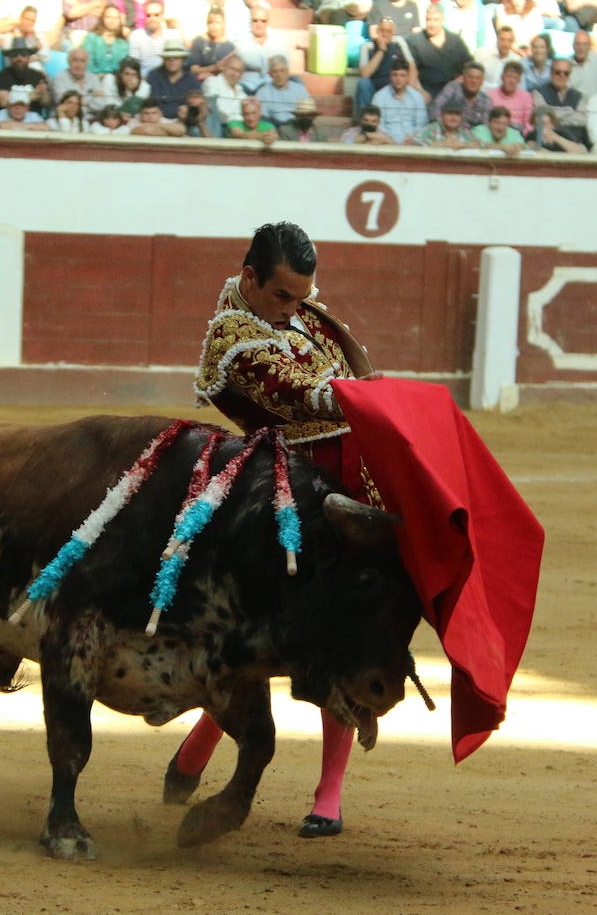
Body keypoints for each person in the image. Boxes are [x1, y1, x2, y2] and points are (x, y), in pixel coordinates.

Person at [178, 221, 385, 842]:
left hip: (347, 485)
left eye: (303, 294)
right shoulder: (231, 338)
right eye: (285, 296)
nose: (298, 306)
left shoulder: (307, 316)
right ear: (250, 280)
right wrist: (372, 399)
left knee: (342, 627)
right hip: (277, 498)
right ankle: (198, 743)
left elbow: (350, 377)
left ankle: (329, 790)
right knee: (256, 629)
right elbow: (304, 395)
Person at [406, 3, 472, 97]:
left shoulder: (455, 41)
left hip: (452, 91)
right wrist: (421, 92)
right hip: (425, 91)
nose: (432, 24)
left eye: (436, 20)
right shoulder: (414, 41)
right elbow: (411, 72)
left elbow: (469, 65)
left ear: (442, 20)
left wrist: (458, 82)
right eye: (429, 20)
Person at [356, 16, 417, 109]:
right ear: (377, 31)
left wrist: (410, 90)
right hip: (373, 87)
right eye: (382, 31)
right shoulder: (367, 46)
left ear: (393, 33)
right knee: (363, 82)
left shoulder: (399, 42)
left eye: (389, 32)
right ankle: (366, 116)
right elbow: (365, 74)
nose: (385, 34)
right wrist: (381, 50)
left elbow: (412, 65)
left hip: (394, 87)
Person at [532, 55, 587, 143]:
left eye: (566, 73)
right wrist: (569, 111)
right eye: (558, 72)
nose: (562, 75)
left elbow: (581, 120)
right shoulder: (538, 93)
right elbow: (544, 118)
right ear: (551, 73)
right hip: (548, 139)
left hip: (573, 139)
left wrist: (554, 114)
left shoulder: (579, 96)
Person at [371, 58, 428, 142]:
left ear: (408, 77)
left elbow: (421, 124)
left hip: (413, 140)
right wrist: (391, 139)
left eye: (402, 75)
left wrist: (412, 138)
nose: (398, 79)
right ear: (390, 76)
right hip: (387, 140)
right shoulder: (379, 97)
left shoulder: (417, 97)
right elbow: (378, 124)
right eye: (395, 75)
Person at [232, 2, 286, 91]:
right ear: (250, 22)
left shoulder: (277, 41)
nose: (259, 24)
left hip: (271, 84)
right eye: (255, 20)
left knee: (297, 81)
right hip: (246, 86)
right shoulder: (240, 41)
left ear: (268, 22)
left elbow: (285, 66)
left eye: (263, 21)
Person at [0, 36, 49, 112]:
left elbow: (46, 103)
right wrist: (30, 97)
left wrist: (43, 93)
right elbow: (3, 103)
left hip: (33, 117)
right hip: (9, 117)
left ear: (29, 57)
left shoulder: (38, 75)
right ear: (10, 58)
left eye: (23, 54)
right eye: (14, 55)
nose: (19, 58)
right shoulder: (1, 76)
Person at [429, 60, 491, 126]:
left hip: (471, 135)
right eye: (470, 77)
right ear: (463, 78)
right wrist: (443, 128)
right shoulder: (452, 88)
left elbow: (485, 127)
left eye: (478, 78)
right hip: (446, 131)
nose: (474, 81)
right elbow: (435, 107)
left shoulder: (486, 101)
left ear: (482, 82)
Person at [151, 36, 201, 116]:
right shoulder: (154, 76)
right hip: (156, 119)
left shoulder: (191, 79)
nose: (172, 60)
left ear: (183, 59)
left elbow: (197, 104)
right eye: (168, 58)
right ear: (163, 59)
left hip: (184, 120)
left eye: (176, 57)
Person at [254, 55, 309, 126]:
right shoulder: (262, 92)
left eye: (282, 71)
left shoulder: (300, 89)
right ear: (270, 74)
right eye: (275, 71)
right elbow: (262, 119)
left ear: (287, 71)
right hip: (276, 127)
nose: (279, 75)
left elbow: (309, 112)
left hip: (298, 126)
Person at [489, 58, 534, 133]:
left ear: (519, 80)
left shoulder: (526, 97)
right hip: (496, 131)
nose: (512, 81)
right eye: (509, 76)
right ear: (502, 77)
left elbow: (528, 123)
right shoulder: (491, 95)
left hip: (519, 134)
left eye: (515, 78)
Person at [188, 8, 235, 80]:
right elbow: (193, 69)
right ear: (207, 24)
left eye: (218, 23)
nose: (214, 27)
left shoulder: (230, 47)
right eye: (211, 22)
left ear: (223, 24)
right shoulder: (199, 41)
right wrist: (214, 68)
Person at [83, 4, 131, 74]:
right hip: (93, 79)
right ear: (102, 18)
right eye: (108, 17)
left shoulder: (122, 43)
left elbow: (123, 67)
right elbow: (87, 63)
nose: (112, 21)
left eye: (116, 18)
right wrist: (99, 75)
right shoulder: (91, 38)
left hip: (116, 80)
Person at [411, 98, 479, 145]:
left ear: (461, 117)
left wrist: (463, 145)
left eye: (457, 114)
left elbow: (480, 145)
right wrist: (443, 144)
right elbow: (412, 143)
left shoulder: (464, 132)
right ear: (441, 115)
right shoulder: (431, 128)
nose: (453, 117)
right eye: (449, 113)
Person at [128, 0, 171, 74]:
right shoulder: (136, 36)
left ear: (162, 16)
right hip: (143, 79)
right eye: (148, 15)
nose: (152, 19)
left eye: (156, 15)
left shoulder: (171, 36)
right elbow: (133, 64)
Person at [568, 30, 597, 98]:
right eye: (578, 44)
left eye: (585, 44)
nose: (581, 48)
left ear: (590, 46)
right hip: (577, 106)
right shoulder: (566, 66)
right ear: (573, 45)